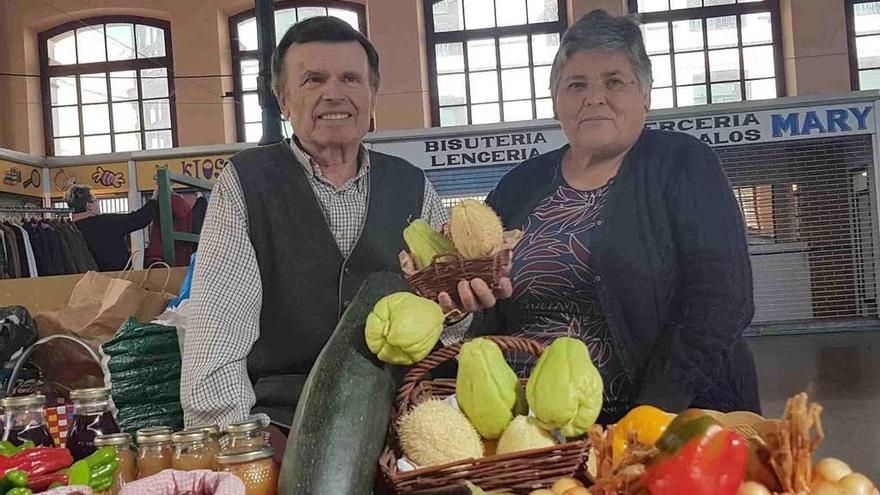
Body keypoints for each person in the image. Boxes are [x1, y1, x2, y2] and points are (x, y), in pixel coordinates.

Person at [181, 16, 511, 431]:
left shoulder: (411, 184)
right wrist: (235, 445)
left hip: (401, 414)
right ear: (283, 99)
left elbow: (444, 320)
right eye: (313, 80)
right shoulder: (246, 183)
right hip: (285, 420)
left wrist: (461, 309)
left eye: (351, 79)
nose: (333, 94)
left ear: (372, 95)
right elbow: (218, 334)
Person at [481, 10, 759, 424]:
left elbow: (722, 300)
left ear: (644, 95)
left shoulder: (682, 163)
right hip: (539, 433)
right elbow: (485, 298)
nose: (594, 97)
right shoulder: (519, 186)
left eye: (614, 81)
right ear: (556, 102)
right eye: (576, 84)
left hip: (671, 423)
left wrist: (649, 414)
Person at [66, 184, 158, 272]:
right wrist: (154, 198)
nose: (98, 204)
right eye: (96, 201)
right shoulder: (105, 223)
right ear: (89, 206)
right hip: (116, 278)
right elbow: (139, 219)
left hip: (84, 282)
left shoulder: (68, 230)